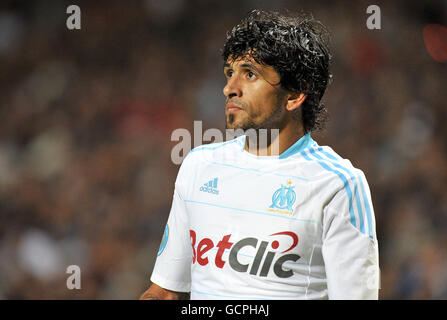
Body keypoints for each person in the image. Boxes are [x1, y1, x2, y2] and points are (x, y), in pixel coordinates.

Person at [140, 9, 379, 300]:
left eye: (249, 74)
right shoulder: (198, 166)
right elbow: (165, 292)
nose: (229, 88)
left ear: (295, 95)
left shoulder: (338, 185)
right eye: (230, 73)